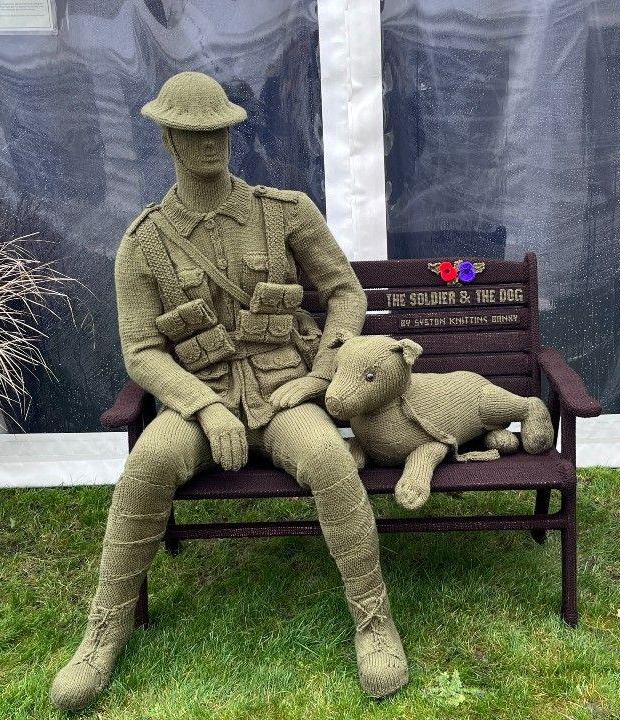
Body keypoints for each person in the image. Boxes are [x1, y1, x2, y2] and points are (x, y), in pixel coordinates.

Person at [49, 71, 409, 711]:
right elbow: (141, 352)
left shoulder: (285, 214)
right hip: (199, 399)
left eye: (219, 131)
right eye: (194, 134)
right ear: (168, 140)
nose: (210, 144)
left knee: (328, 458)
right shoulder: (142, 243)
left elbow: (346, 293)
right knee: (147, 464)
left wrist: (321, 376)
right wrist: (206, 406)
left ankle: (374, 619)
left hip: (282, 393)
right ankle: (104, 631)